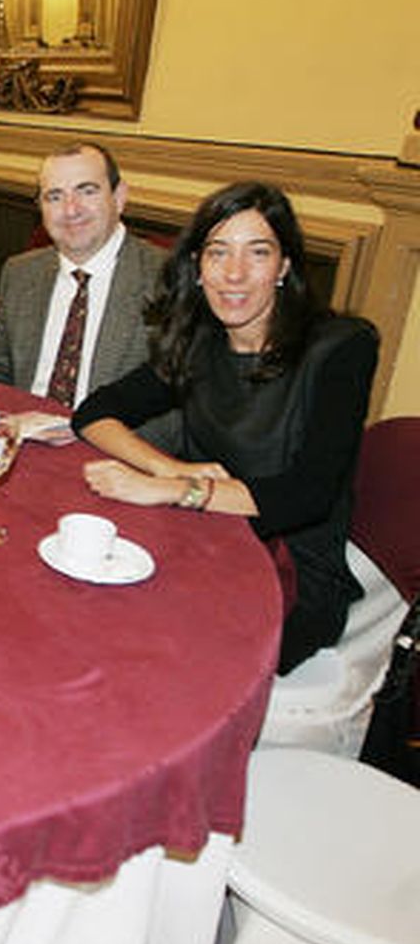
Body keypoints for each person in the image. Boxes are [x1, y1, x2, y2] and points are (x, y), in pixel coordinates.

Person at [72, 182, 379, 674]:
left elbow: (307, 494)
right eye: (218, 253)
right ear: (197, 266)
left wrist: (175, 491)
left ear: (284, 267)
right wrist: (169, 469)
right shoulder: (200, 342)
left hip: (290, 574)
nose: (234, 274)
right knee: (83, 601)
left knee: (139, 646)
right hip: (203, 544)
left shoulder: (341, 348)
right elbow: (93, 412)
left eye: (257, 253)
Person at [0, 143, 170, 414]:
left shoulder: (167, 278)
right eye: (54, 196)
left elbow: (178, 408)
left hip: (114, 449)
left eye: (87, 191)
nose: (71, 210)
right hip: (18, 437)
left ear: (119, 196)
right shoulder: (20, 273)